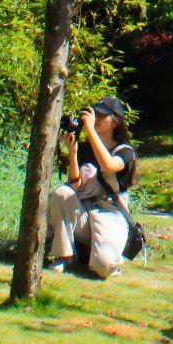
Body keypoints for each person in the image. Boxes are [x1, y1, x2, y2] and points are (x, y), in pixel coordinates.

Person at [46, 96, 138, 278]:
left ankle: (104, 256)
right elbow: (75, 184)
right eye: (95, 114)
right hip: (86, 212)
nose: (96, 119)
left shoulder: (125, 151)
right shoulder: (86, 149)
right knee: (61, 193)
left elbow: (109, 165)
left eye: (102, 116)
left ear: (115, 122)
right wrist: (73, 153)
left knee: (103, 268)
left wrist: (89, 130)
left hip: (111, 215)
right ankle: (64, 256)